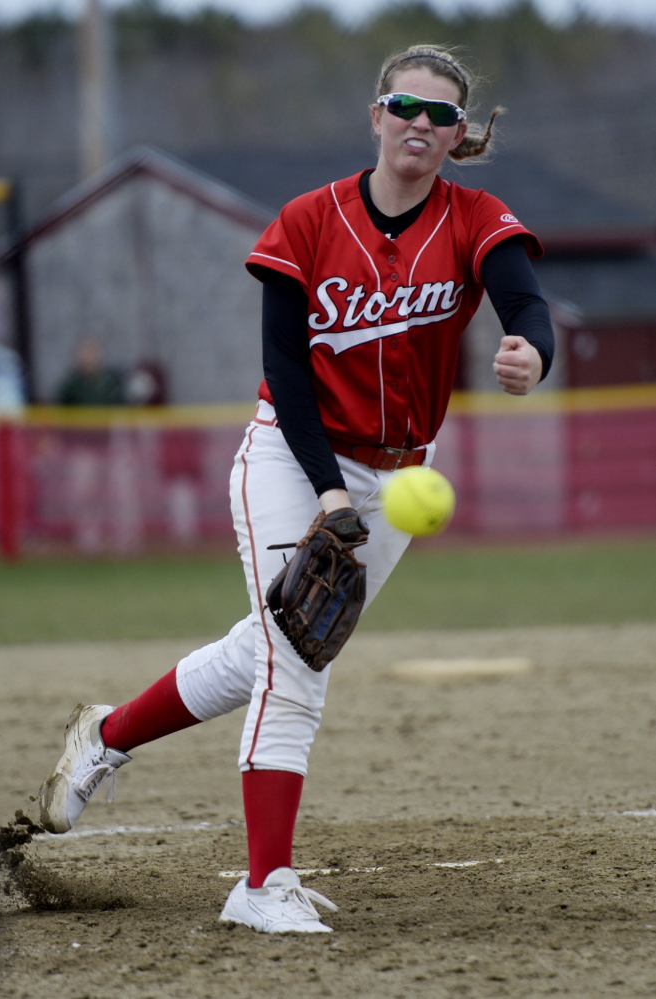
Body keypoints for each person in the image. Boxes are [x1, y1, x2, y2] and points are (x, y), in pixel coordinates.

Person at [38, 43, 555, 934]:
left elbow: (526, 302)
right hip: (292, 456)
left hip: (398, 476)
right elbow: (284, 361)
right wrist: (324, 490)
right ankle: (260, 882)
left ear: (457, 134)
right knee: (298, 666)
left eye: (440, 117)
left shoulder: (474, 218)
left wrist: (531, 352)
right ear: (375, 115)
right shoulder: (308, 221)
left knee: (269, 648)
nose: (419, 127)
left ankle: (106, 734)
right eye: (404, 107)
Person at [56, 337, 124, 406]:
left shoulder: (113, 384)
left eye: (92, 352)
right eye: (85, 353)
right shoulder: (70, 387)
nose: (89, 358)